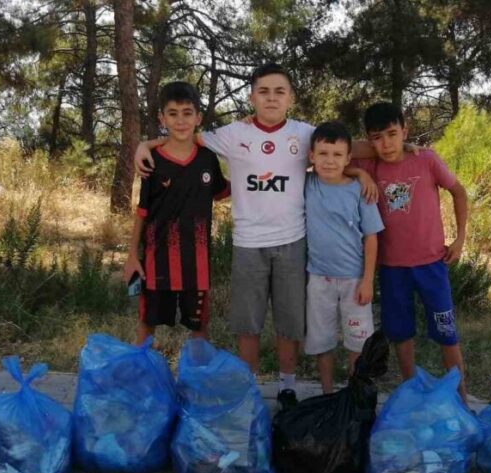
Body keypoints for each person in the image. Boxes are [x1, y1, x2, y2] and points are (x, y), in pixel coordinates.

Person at [135, 63, 377, 408]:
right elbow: (183, 135)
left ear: (291, 97)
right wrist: (144, 144)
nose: (271, 98)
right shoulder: (234, 133)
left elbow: (348, 148)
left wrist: (382, 159)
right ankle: (248, 387)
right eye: (263, 91)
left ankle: (287, 386)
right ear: (252, 97)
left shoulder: (303, 134)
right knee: (247, 323)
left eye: (280, 91)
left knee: (289, 321)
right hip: (248, 244)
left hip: (293, 242)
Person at [357, 102, 471, 399]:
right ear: (369, 140)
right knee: (401, 333)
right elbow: (333, 150)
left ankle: (461, 398)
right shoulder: (370, 165)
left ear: (405, 131)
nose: (386, 144)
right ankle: (411, 394)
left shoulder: (426, 159)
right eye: (377, 137)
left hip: (432, 265)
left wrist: (460, 239)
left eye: (393, 134)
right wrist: (361, 173)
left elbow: (459, 192)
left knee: (447, 333)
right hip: (392, 268)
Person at [124, 81, 229, 345]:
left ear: (198, 117)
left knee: (199, 327)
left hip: (197, 262)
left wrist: (254, 174)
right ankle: (142, 369)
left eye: (187, 113)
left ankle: (198, 370)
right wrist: (132, 255)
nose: (180, 121)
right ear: (162, 118)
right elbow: (142, 211)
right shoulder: (152, 160)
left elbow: (223, 191)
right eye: (173, 113)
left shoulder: (207, 158)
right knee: (147, 325)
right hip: (156, 260)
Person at [303, 121, 384, 394]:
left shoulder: (360, 190)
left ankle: (354, 395)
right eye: (323, 154)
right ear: (311, 156)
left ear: (348, 158)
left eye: (337, 155)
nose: (330, 161)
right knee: (322, 341)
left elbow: (371, 237)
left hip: (354, 280)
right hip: (318, 278)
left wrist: (367, 280)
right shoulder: (307, 184)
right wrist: (360, 171)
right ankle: (327, 394)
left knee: (358, 342)